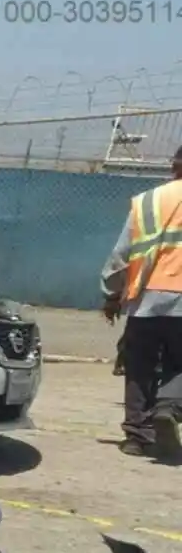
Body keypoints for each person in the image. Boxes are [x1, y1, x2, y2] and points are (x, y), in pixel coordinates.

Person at [102, 145, 182, 459]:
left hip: (145, 298)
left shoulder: (149, 201)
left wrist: (111, 294)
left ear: (172, 165)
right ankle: (168, 406)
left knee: (139, 368)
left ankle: (137, 437)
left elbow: (122, 255)